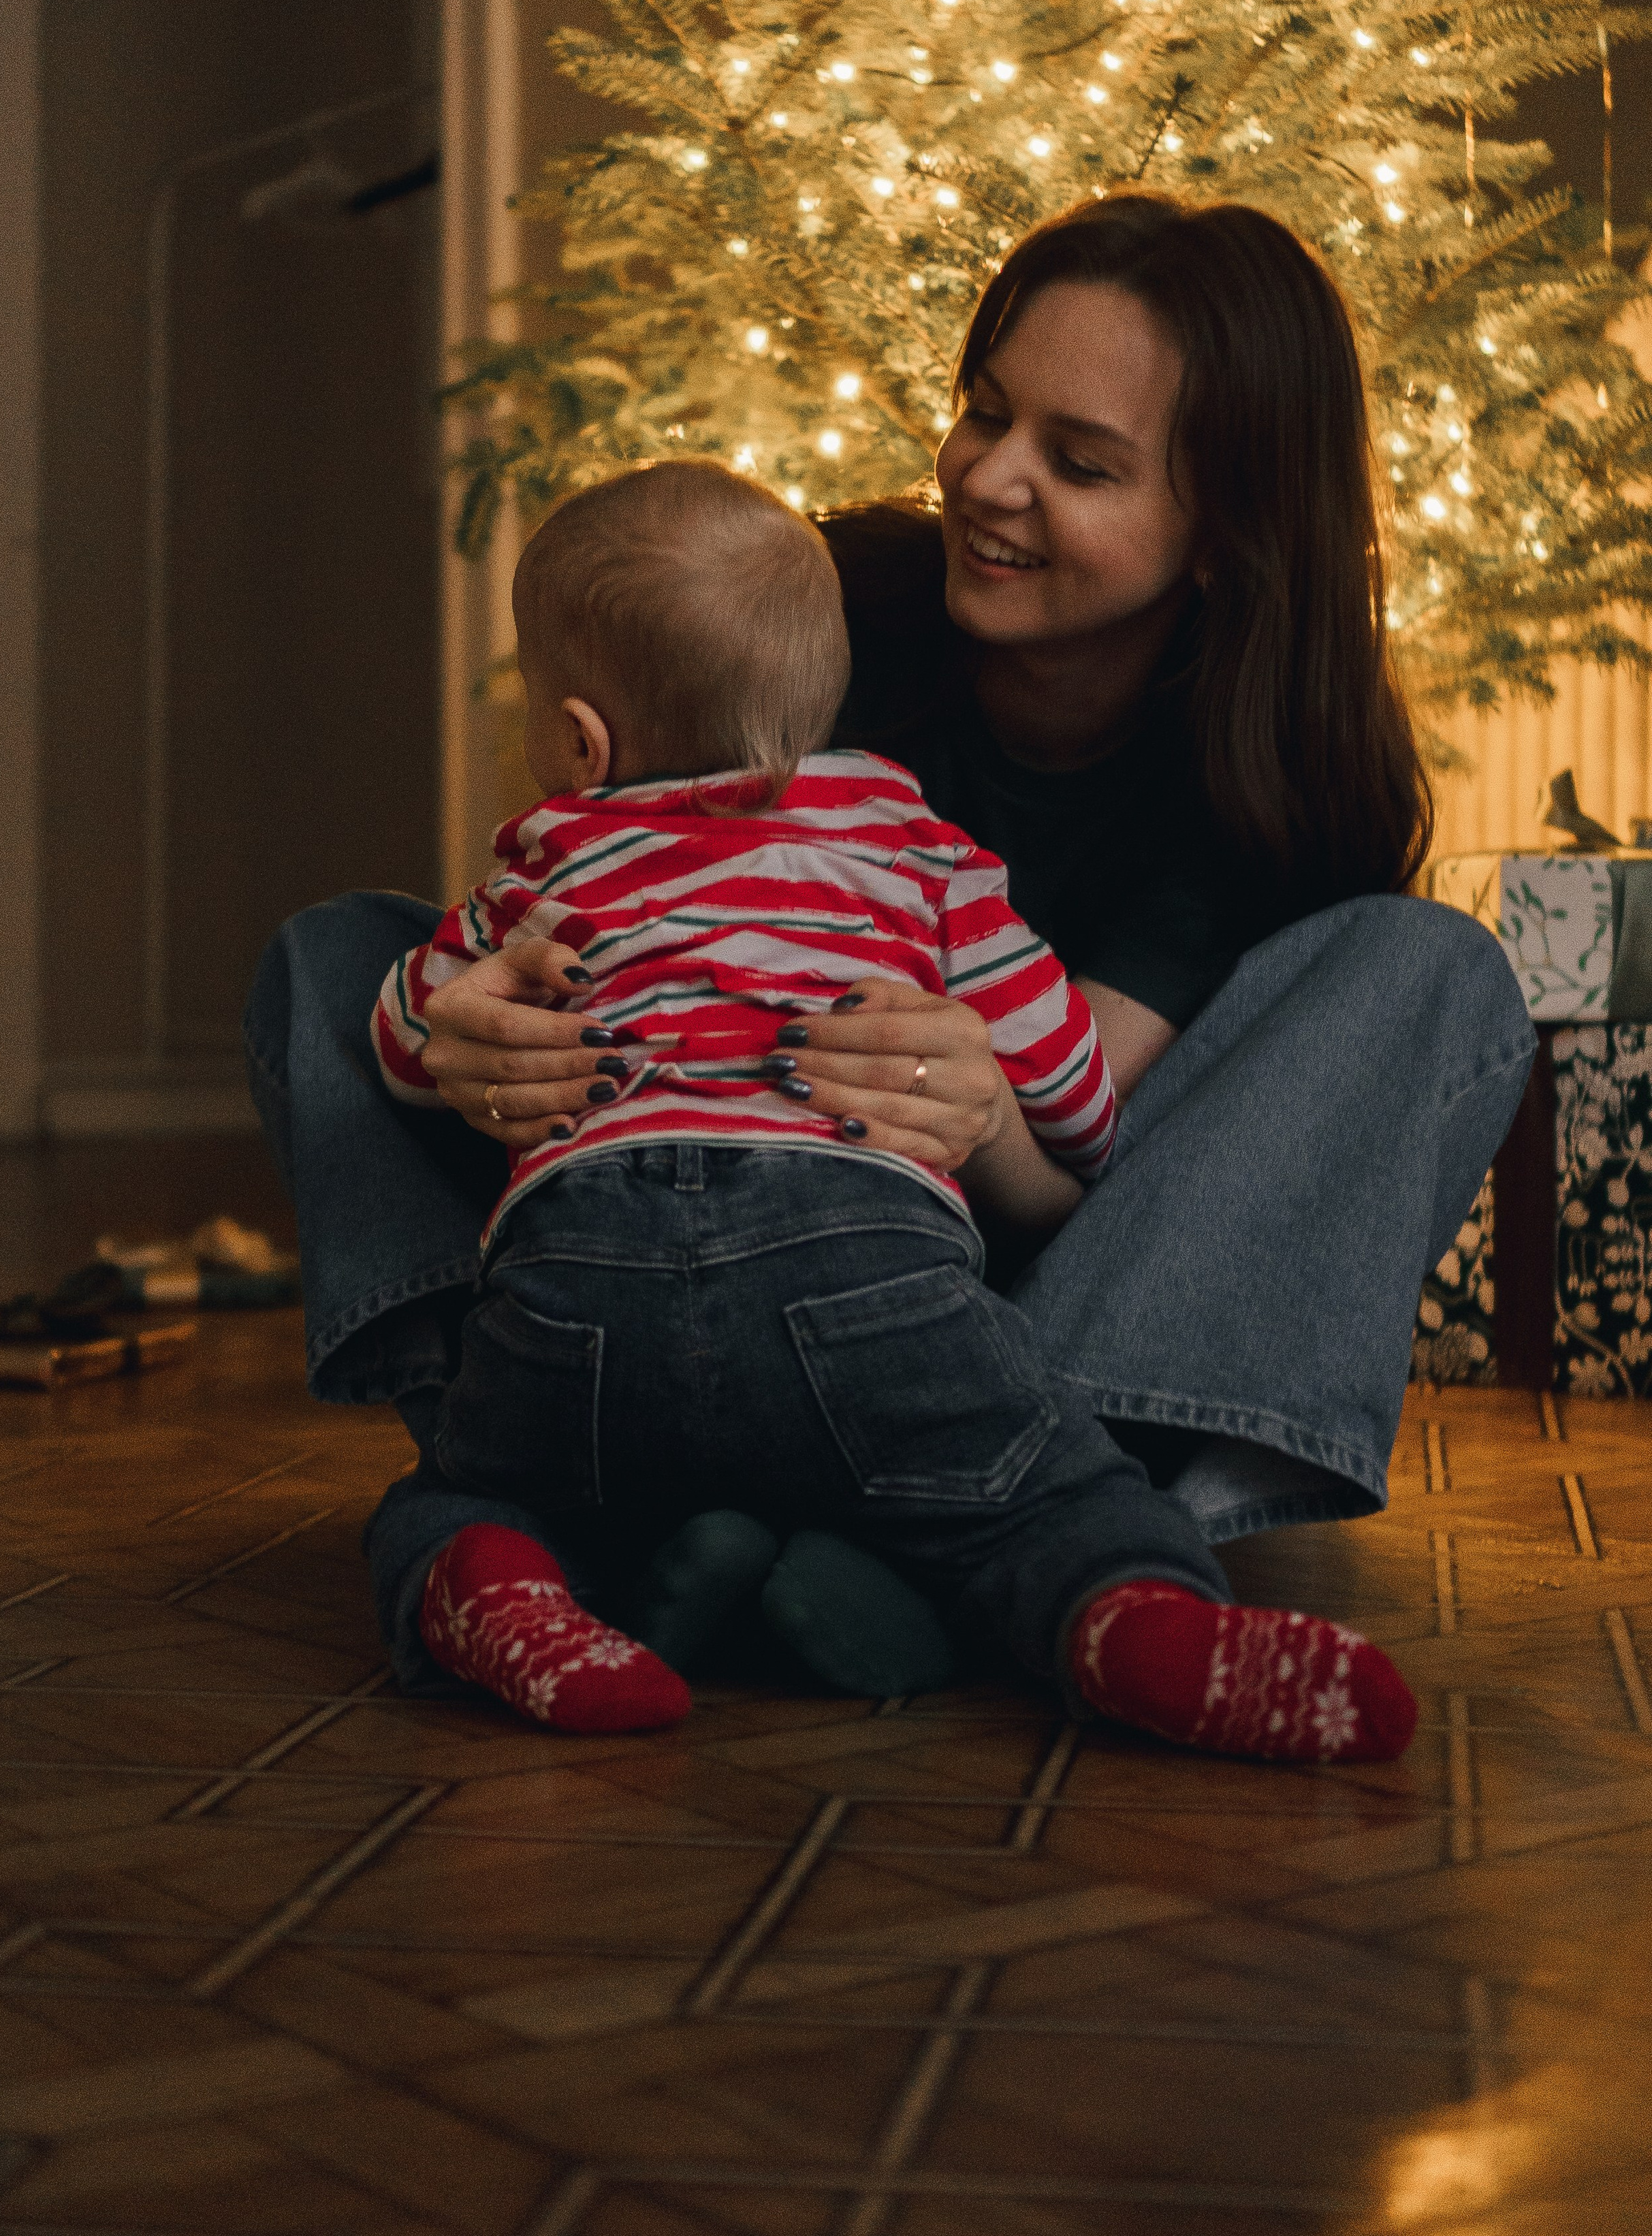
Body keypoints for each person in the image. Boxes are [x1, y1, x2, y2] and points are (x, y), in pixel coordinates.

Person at [243, 192, 1534, 1707]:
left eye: (1079, 460)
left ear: (1223, 528)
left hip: (1001, 1302)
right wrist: (472, 1026)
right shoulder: (829, 606)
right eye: (983, 414)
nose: (987, 479)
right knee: (335, 963)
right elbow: (596, 874)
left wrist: (975, 1107)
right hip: (639, 1264)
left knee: (1432, 973)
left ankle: (957, 1518)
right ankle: (603, 1489)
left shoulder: (1253, 775)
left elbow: (1080, 1169)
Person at [352, 457, 1418, 1763]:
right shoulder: (917, 843)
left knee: (464, 1491)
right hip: (862, 1278)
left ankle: (506, 1587)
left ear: (583, 738)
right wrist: (1029, 1127)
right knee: (1056, 1498)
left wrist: (430, 1026)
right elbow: (1075, 1088)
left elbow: (417, 1029)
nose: (1001, 472)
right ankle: (1134, 1622)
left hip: (578, 1281)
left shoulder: (547, 857)